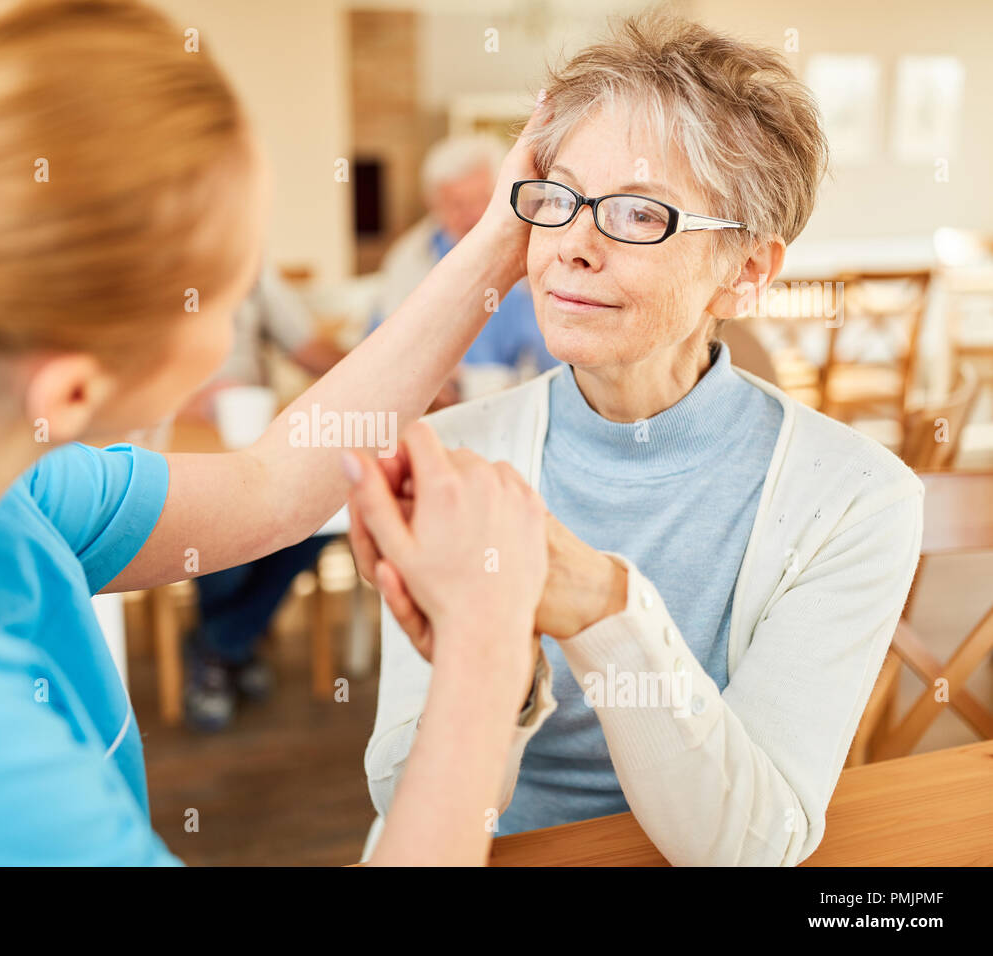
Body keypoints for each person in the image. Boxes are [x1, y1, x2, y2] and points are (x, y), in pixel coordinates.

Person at [0, 0, 551, 865]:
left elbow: (269, 487)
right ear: (72, 389)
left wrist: (499, 242)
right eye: (223, 296)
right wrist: (484, 652)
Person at [355, 11, 924, 866]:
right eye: (560, 199)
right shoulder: (453, 455)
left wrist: (602, 607)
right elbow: (404, 798)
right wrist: (498, 663)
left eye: (638, 214)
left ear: (747, 273)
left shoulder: (855, 499)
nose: (574, 246)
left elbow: (750, 844)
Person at [178, 264, 345, 731]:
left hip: (252, 443)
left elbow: (309, 349)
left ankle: (220, 645)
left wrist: (392, 374)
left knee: (322, 510)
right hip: (172, 447)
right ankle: (230, 647)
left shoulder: (248, 271)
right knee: (220, 539)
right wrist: (179, 403)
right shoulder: (138, 267)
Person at [371, 135, 559, 406]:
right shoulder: (409, 259)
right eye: (456, 205)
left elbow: (559, 365)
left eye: (482, 199)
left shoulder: (538, 248)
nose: (472, 215)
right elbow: (379, 353)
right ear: (432, 203)